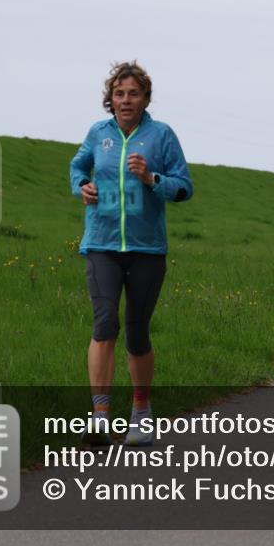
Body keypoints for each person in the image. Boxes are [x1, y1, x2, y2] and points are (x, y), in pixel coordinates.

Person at [70, 61, 194, 447]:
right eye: (119, 94)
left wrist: (151, 178)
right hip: (102, 244)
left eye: (133, 94)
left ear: (145, 99)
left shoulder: (161, 135)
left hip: (147, 250)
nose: (125, 100)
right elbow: (78, 167)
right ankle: (100, 417)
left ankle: (141, 413)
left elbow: (184, 187)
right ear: (110, 98)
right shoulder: (98, 133)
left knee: (137, 332)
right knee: (105, 323)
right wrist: (83, 186)